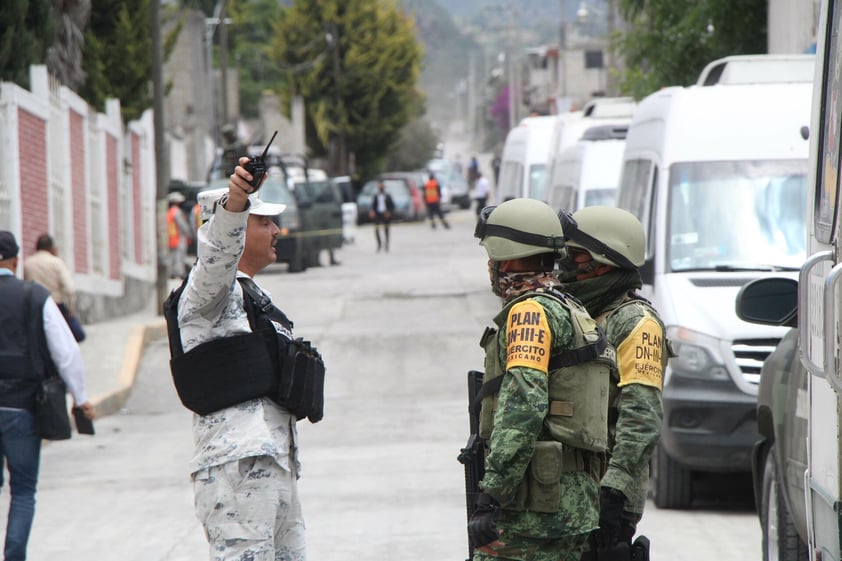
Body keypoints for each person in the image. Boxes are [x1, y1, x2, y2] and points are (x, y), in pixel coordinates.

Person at [168, 156, 319, 561]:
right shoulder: (207, 291)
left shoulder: (253, 294)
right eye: (263, 221)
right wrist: (237, 200)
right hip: (236, 466)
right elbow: (218, 251)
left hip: (273, 460)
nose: (276, 230)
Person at [469, 199, 613, 561]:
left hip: (533, 512)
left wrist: (493, 493)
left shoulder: (529, 313)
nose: (491, 266)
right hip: (573, 505)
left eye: (493, 256)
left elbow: (524, 405)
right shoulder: (569, 306)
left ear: (508, 255)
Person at [556, 206, 671, 558]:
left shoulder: (636, 322)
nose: (566, 265)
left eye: (576, 256)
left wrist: (615, 489)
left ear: (604, 261)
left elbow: (642, 416)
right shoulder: (582, 313)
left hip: (608, 495)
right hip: (575, 486)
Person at [0, 230, 95, 561]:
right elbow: (66, 352)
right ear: (15, 260)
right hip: (22, 407)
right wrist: (80, 398)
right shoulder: (34, 297)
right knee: (23, 490)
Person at [22, 233, 84, 342]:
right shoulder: (56, 262)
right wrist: (70, 310)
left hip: (33, 308)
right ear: (52, 248)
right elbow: (70, 289)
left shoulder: (28, 263)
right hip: (56, 305)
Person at [167, 192, 193, 279]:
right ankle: (180, 273)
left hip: (171, 237)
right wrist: (189, 234)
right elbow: (182, 225)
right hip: (178, 237)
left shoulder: (170, 211)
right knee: (179, 256)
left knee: (172, 256)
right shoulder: (177, 212)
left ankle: (171, 272)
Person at [369, 179, 395, 252]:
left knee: (386, 230)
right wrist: (372, 212)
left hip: (385, 214)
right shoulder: (376, 196)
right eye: (379, 185)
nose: (381, 187)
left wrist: (389, 212)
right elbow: (373, 206)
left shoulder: (388, 196)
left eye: (382, 185)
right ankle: (379, 244)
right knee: (376, 229)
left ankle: (386, 245)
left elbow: (392, 206)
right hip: (378, 214)